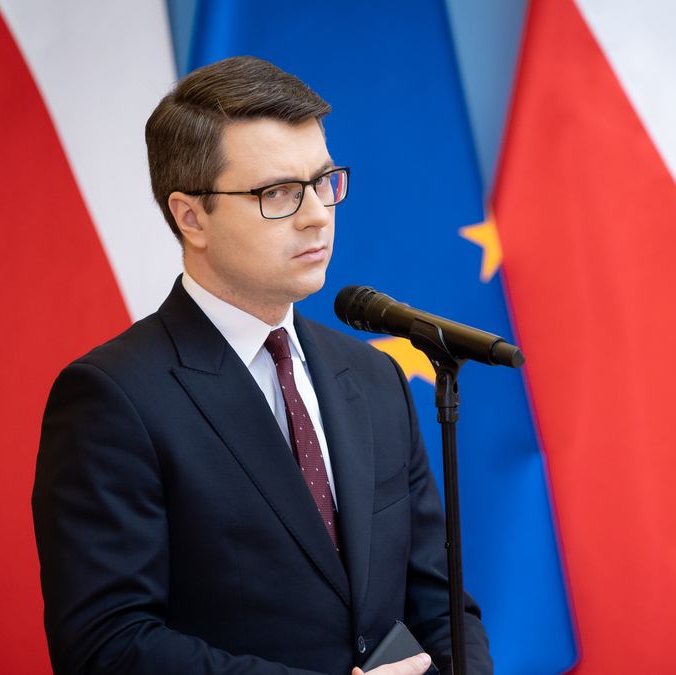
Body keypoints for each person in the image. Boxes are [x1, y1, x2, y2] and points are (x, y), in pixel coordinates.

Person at [31, 56, 492, 675]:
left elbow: (441, 604)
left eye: (325, 181)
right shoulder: (113, 398)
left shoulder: (375, 377)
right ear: (190, 216)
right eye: (278, 194)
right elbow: (106, 646)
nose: (317, 214)